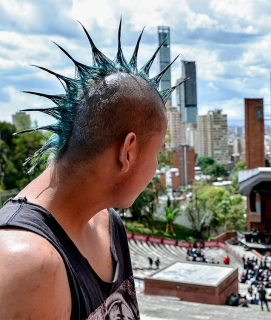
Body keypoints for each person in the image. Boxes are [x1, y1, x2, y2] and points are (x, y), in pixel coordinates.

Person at [0, 19, 175, 319]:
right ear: (128, 151)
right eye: (157, 153)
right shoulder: (29, 265)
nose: (157, 167)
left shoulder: (110, 224)